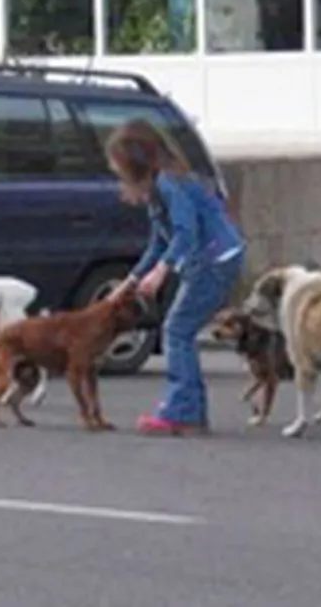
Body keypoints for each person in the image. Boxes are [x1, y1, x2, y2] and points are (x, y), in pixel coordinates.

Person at [104, 119, 245, 435]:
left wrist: (162, 270)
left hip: (215, 259)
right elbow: (159, 242)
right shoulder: (161, 189)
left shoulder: (171, 185)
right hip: (212, 258)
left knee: (177, 330)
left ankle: (183, 410)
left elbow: (186, 233)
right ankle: (190, 409)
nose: (115, 173)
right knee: (180, 330)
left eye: (118, 166)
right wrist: (131, 280)